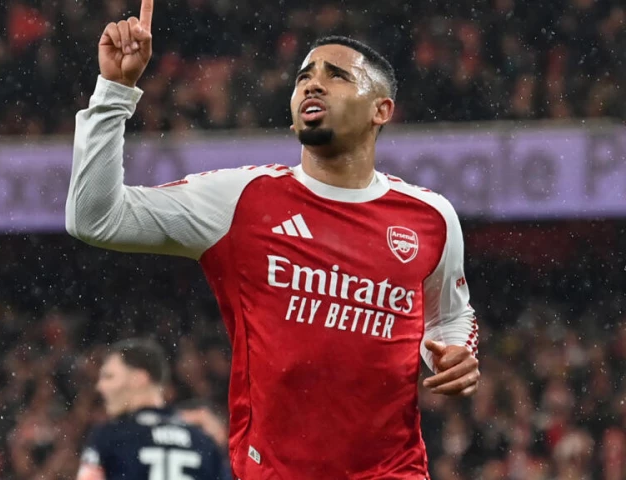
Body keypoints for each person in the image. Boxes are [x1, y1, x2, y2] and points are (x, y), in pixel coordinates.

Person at [66, 1, 481, 477]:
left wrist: (455, 353)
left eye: (336, 75)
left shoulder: (431, 217)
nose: (313, 84)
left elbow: (451, 316)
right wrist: (114, 92)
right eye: (304, 77)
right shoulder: (241, 199)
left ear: (380, 110)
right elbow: (95, 218)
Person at [76, 338, 226, 480]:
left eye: (109, 376)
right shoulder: (202, 440)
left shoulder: (110, 436)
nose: (100, 386)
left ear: (139, 378)